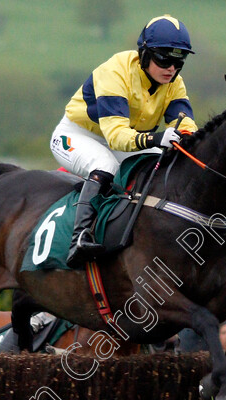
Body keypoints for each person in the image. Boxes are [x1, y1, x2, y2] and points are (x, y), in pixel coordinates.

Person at [51, 14, 198, 267]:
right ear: (144, 53)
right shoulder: (116, 71)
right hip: (79, 135)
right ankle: (79, 239)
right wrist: (157, 138)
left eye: (178, 60)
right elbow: (117, 136)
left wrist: (189, 139)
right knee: (105, 165)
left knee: (157, 167)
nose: (171, 68)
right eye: (164, 58)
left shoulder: (174, 82)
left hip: (125, 140)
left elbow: (183, 122)